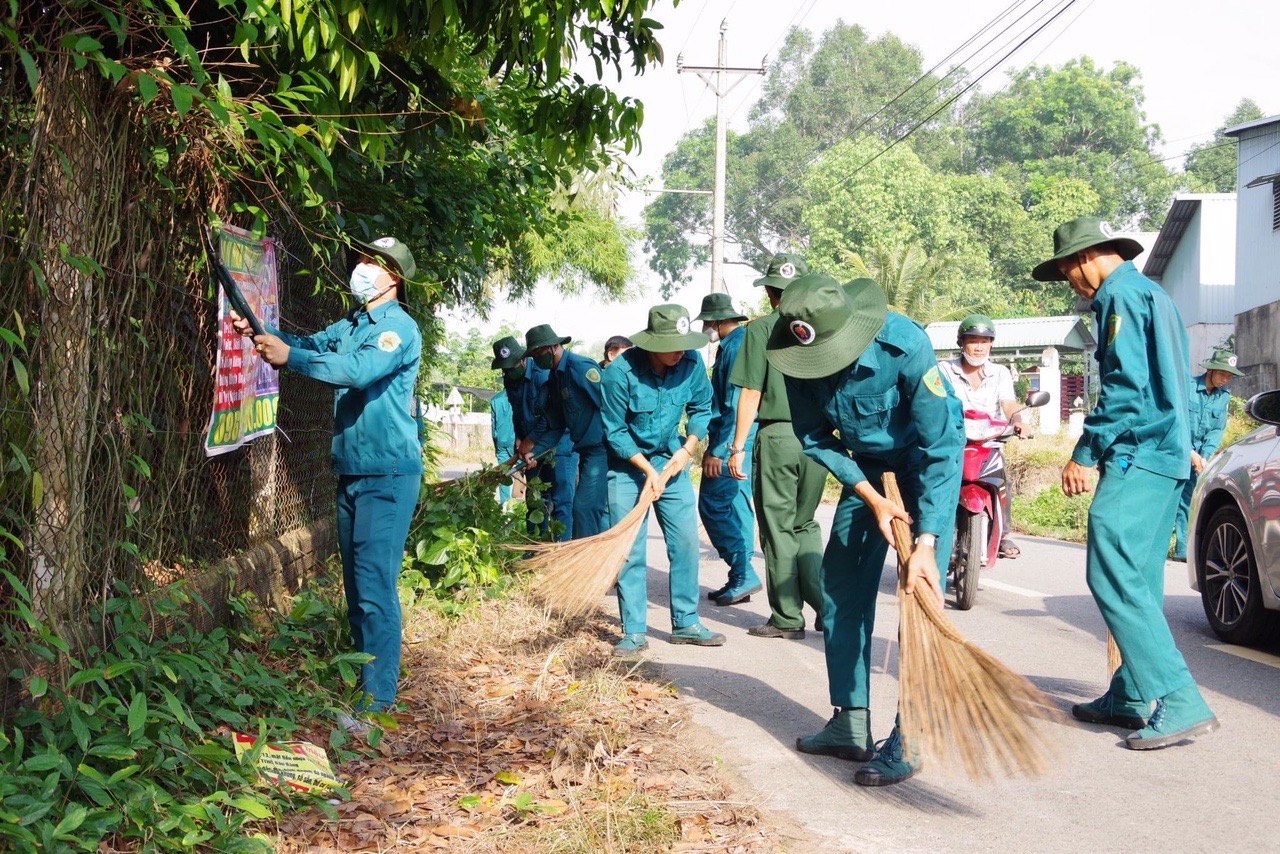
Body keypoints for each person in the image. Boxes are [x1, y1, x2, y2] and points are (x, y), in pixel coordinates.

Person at [768, 274, 963, 787]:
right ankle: (850, 722)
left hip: (924, 467)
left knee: (918, 597)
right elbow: (813, 434)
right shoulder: (793, 349)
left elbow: (943, 446)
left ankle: (912, 735)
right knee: (841, 590)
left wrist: (926, 541)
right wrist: (871, 497)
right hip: (869, 474)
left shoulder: (904, 345)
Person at [1034, 215, 1218, 750]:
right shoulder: (1152, 294)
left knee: (1110, 572)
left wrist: (1085, 452)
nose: (1070, 283)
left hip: (1138, 453)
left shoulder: (1117, 296)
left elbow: (1126, 388)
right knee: (1138, 576)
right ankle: (1133, 693)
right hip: (1166, 456)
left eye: (1066, 272)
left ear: (1083, 259)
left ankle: (1179, 697)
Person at [231, 236, 423, 727]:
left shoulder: (397, 329)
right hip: (353, 469)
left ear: (393, 277)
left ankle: (377, 701)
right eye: (360, 258)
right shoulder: (356, 322)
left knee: (375, 584)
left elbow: (356, 372)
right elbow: (312, 345)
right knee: (357, 585)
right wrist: (261, 332)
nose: (361, 268)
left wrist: (288, 357)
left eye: (373, 263)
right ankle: (366, 682)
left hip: (388, 473)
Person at [600, 304, 725, 657]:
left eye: (685, 343)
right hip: (627, 467)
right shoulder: (619, 373)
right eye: (673, 345)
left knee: (685, 543)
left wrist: (687, 450)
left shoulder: (691, 364)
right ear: (652, 343)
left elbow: (702, 408)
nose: (681, 351)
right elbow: (615, 431)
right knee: (630, 550)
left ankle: (685, 622)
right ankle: (634, 630)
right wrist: (648, 471)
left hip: (673, 462)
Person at [728, 253, 826, 635]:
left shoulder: (760, 330)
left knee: (777, 530)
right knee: (806, 525)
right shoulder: (826, 328)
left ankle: (787, 617)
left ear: (770, 291)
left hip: (778, 436)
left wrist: (737, 447)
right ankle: (827, 607)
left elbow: (751, 391)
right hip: (820, 440)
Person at [936, 314, 1025, 559]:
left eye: (984, 341)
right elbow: (935, 400)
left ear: (991, 344)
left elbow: (1008, 403)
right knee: (933, 477)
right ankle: (928, 526)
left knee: (1001, 479)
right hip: (952, 442)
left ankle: (1004, 534)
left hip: (989, 442)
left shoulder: (1000, 373)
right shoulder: (944, 369)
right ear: (960, 343)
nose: (978, 347)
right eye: (972, 340)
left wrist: (1019, 422)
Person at [693, 292, 762, 605]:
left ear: (718, 320)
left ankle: (743, 572)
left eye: (708, 322)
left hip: (733, 439)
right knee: (736, 506)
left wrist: (720, 451)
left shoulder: (735, 348)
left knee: (713, 504)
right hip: (742, 438)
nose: (706, 327)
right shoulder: (736, 344)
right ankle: (740, 577)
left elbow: (735, 404)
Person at [525, 324, 609, 538]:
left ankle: (590, 563)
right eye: (532, 355)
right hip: (586, 451)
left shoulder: (580, 368)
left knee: (585, 510)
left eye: (538, 353)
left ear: (554, 347)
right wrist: (536, 451)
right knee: (587, 510)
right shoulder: (555, 377)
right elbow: (557, 424)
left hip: (603, 448)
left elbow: (610, 407)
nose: (535, 359)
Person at [490, 335, 576, 540]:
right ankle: (536, 546)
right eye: (505, 369)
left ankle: (561, 552)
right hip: (530, 445)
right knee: (535, 498)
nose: (509, 372)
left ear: (522, 360)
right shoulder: (510, 380)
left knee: (561, 500)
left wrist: (530, 443)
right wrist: (520, 439)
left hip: (558, 446)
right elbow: (517, 413)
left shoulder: (543, 375)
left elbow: (550, 418)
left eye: (512, 367)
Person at [1172, 346, 1242, 561]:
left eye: (1229, 376)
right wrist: (1190, 452)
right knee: (1168, 500)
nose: (1225, 379)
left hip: (1199, 458)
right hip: (1175, 451)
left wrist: (1205, 456)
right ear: (1210, 370)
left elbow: (1216, 430)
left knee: (1190, 500)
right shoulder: (1187, 387)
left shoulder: (1223, 397)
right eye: (1222, 373)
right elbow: (1176, 422)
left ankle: (1183, 550)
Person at [490, 387, 516, 505]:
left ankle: (505, 504)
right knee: (523, 470)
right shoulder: (518, 396)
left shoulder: (495, 400)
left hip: (501, 440)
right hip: (517, 441)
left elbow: (493, 426)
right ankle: (522, 503)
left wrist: (496, 446)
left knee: (503, 474)